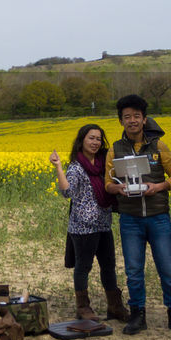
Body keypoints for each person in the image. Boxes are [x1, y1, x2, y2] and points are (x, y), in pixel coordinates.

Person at [105, 94, 171, 335]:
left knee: (167, 267)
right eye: (127, 117)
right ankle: (137, 314)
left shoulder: (159, 146)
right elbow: (108, 183)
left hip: (158, 216)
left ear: (144, 119)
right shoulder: (114, 149)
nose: (132, 121)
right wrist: (118, 188)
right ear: (121, 121)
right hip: (130, 219)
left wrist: (158, 187)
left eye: (136, 116)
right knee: (134, 269)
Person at [50, 124, 131, 322]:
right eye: (91, 138)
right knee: (83, 266)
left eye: (98, 139)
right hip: (83, 227)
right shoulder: (77, 167)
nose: (95, 142)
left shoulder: (105, 164)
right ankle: (83, 307)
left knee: (109, 266)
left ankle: (115, 306)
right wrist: (59, 167)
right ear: (82, 140)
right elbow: (66, 192)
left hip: (103, 223)